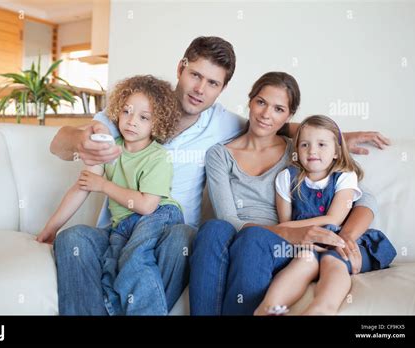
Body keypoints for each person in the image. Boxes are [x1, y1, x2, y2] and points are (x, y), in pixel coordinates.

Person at [49, 36, 390, 315]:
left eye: (212, 82)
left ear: (223, 89)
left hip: (172, 233)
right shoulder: (139, 110)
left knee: (184, 237)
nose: (200, 88)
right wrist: (80, 140)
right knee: (72, 239)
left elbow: (273, 126)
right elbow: (59, 144)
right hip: (117, 227)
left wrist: (338, 138)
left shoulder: (225, 124)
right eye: (195, 75)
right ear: (181, 68)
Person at [189, 72, 390, 315]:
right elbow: (229, 219)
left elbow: (363, 197)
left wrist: (344, 238)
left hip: (282, 246)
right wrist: (283, 230)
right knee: (212, 229)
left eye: (278, 109)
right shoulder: (220, 155)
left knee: (254, 240)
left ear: (288, 116)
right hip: (251, 234)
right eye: (261, 102)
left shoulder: (300, 150)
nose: (266, 114)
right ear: (250, 102)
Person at [37, 75, 184, 315]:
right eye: (126, 112)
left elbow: (147, 206)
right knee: (105, 261)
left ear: (158, 123)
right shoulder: (109, 148)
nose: (131, 121)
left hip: (158, 216)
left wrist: (103, 185)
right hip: (122, 226)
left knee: (135, 259)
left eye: (143, 117)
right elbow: (82, 186)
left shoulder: (158, 156)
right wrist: (51, 228)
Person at [253, 115, 396, 315]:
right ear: (296, 150)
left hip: (343, 242)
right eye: (304, 145)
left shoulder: (345, 176)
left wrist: (288, 229)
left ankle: (321, 309)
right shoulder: (286, 178)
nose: (312, 150)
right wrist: (287, 230)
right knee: (304, 259)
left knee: (333, 259)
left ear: (337, 151)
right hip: (308, 244)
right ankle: (267, 309)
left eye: (321, 144)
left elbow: (333, 220)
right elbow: (284, 224)